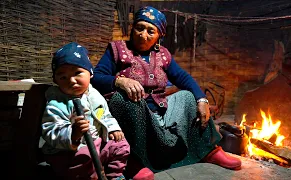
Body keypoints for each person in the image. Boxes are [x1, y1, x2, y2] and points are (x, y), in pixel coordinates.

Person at [91, 6, 241, 180]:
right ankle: (132, 161)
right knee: (124, 99)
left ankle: (207, 149)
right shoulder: (117, 50)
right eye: (139, 28)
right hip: (134, 116)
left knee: (187, 96)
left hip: (161, 113)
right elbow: (96, 78)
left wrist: (202, 100)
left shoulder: (163, 55)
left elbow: (183, 78)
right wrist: (120, 81)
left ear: (159, 36)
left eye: (150, 31)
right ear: (133, 28)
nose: (143, 34)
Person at [41, 42, 130, 180]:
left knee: (121, 145)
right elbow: (50, 130)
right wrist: (73, 134)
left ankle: (114, 175)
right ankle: (92, 175)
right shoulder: (57, 103)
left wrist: (112, 128)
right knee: (85, 158)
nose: (71, 80)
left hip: (96, 142)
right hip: (69, 151)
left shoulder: (94, 95)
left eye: (77, 73)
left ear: (90, 73)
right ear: (55, 80)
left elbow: (104, 114)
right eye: (63, 76)